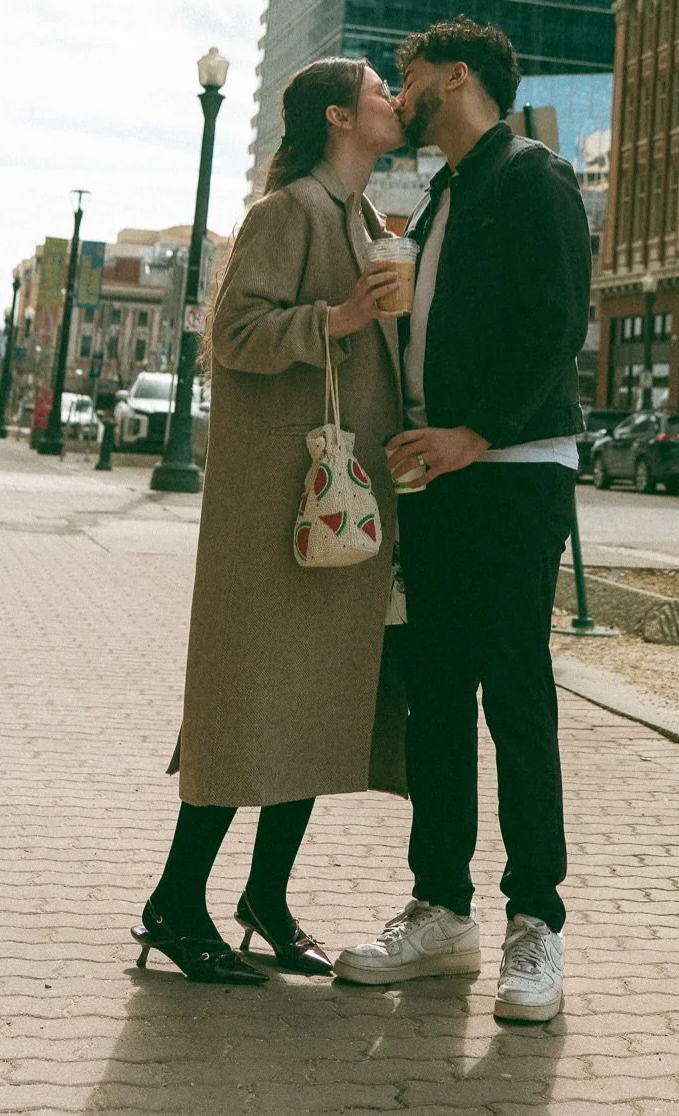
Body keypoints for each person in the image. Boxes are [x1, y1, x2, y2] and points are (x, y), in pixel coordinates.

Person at [333, 17, 590, 1025]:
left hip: (512, 469)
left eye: (409, 78)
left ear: (457, 75)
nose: (400, 95)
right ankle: (443, 909)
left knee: (514, 695)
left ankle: (538, 923)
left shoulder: (534, 176)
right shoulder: (437, 198)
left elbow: (557, 320)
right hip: (438, 472)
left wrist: (474, 432)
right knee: (437, 697)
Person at [132, 58, 408, 984]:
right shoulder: (286, 212)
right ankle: (175, 903)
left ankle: (266, 898)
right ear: (338, 114)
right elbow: (233, 336)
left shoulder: (368, 221)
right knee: (245, 702)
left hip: (344, 506)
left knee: (320, 702)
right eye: (377, 89)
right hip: (276, 509)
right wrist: (334, 317)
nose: (392, 100)